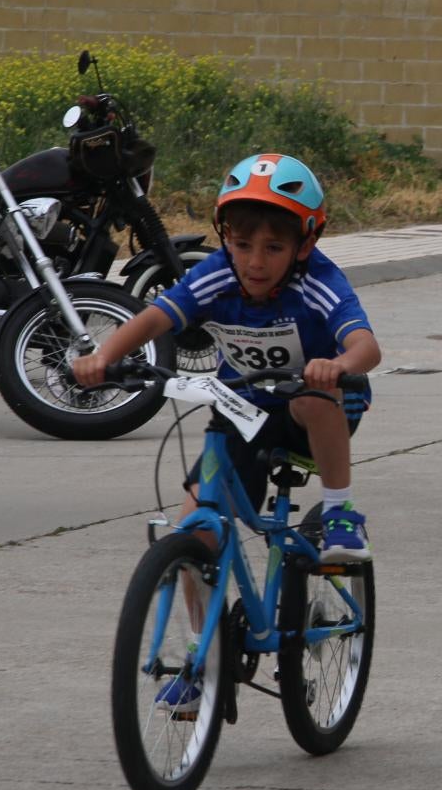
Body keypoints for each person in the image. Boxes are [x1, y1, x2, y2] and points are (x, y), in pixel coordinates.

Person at [72, 152, 382, 563]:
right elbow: (152, 321)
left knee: (312, 393)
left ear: (305, 243)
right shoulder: (218, 274)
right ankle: (206, 628)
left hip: (317, 412)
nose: (255, 262)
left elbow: (366, 347)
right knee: (193, 539)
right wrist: (104, 356)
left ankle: (339, 511)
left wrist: (337, 366)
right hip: (244, 409)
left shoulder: (319, 282)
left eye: (273, 247)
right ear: (225, 237)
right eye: (242, 245)